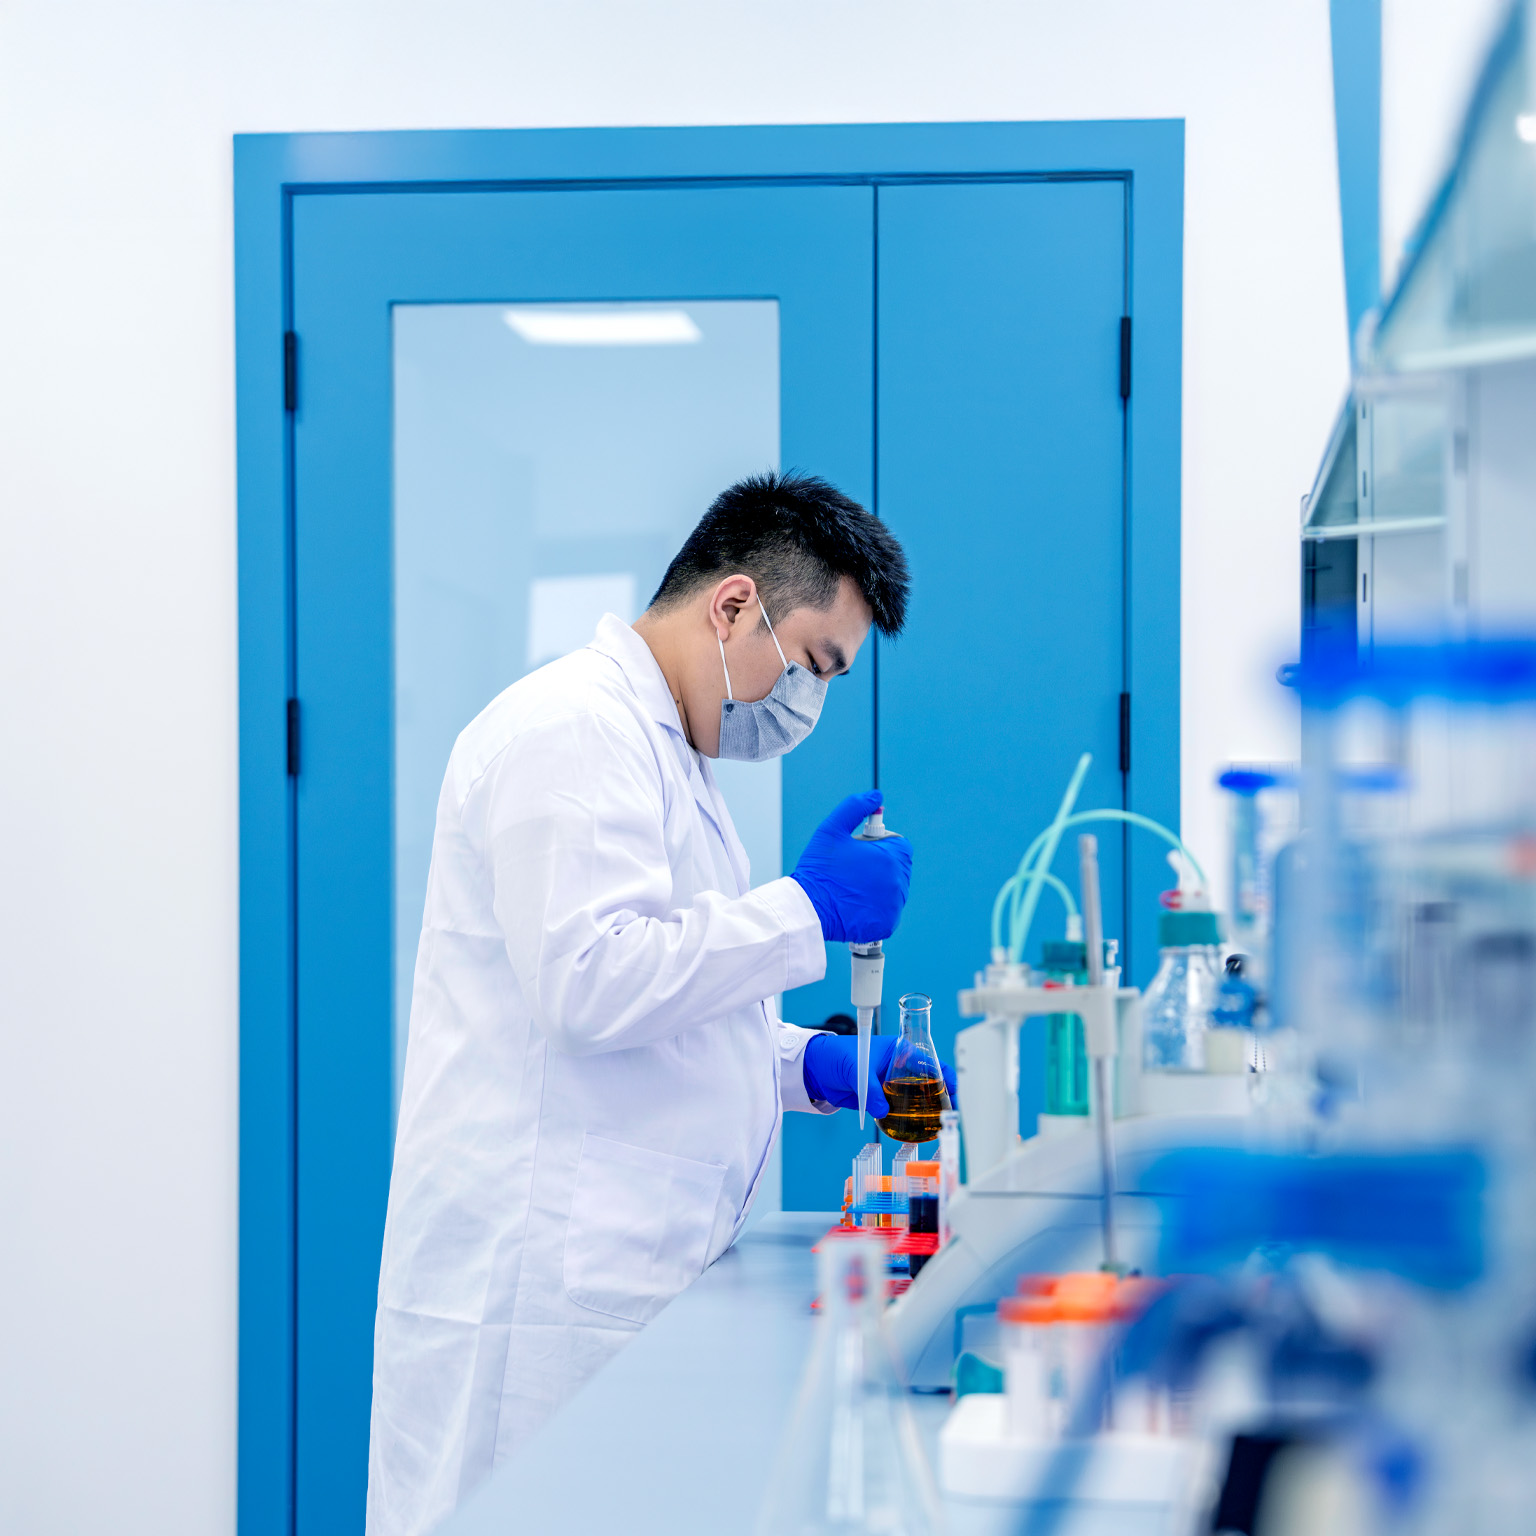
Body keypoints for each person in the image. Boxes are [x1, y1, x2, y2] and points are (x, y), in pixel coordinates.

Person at [365, 469, 954, 1536]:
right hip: (539, 1302)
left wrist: (806, 1067)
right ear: (735, 605)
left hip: (621, 1279)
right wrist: (807, 912)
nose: (809, 702)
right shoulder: (570, 732)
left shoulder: (664, 756)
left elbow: (673, 1004)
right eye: (813, 662)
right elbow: (591, 984)